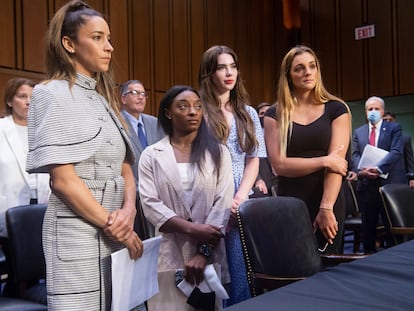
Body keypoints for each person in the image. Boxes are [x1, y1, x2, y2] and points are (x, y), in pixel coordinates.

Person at [25, 1, 143, 309]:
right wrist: (115, 224)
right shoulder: (50, 93)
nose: (109, 47)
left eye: (109, 38)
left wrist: (129, 211)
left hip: (115, 226)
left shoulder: (103, 98)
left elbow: (125, 166)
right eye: (97, 37)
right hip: (77, 230)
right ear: (69, 44)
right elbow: (63, 181)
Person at [138, 85, 233, 310]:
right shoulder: (151, 155)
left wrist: (203, 252)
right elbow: (150, 205)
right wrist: (192, 229)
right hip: (168, 252)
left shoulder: (219, 153)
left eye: (197, 107)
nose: (193, 111)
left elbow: (223, 206)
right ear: (168, 113)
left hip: (209, 257)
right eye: (183, 106)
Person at [264, 45, 350, 254]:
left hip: (328, 197)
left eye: (312, 66)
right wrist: (324, 160)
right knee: (295, 269)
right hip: (291, 202)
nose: (308, 72)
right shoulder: (274, 114)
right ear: (288, 75)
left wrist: (326, 207)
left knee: (329, 269)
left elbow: (336, 166)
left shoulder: (336, 109)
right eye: (299, 68)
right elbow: (280, 165)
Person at [198, 45, 266, 306]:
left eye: (233, 66)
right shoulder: (198, 109)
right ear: (209, 73)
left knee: (240, 267)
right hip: (208, 193)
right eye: (221, 67)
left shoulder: (247, 113)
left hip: (241, 196)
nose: (229, 73)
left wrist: (238, 198)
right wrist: (222, 201)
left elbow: (253, 160)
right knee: (210, 269)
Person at [349, 97, 406, 253]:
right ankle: (367, 257)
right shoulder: (359, 132)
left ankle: (395, 257)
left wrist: (378, 168)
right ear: (365, 112)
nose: (373, 112)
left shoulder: (394, 128)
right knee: (368, 226)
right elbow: (354, 155)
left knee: (391, 226)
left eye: (376, 109)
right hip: (367, 185)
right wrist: (362, 171)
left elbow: (396, 152)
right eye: (370, 109)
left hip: (388, 184)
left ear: (382, 111)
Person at [0, 78, 50, 236]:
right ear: (9, 101)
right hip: (9, 205)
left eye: (32, 97)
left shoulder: (44, 131)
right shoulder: (1, 128)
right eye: (22, 97)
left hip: (42, 205)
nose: (29, 102)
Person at [120, 79, 164, 238]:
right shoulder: (117, 122)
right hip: (131, 196)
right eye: (135, 93)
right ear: (123, 99)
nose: (141, 97)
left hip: (158, 195)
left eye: (144, 94)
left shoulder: (154, 122)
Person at [251, 102, 278, 197]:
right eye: (262, 114)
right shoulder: (253, 137)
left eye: (268, 113)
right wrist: (258, 179)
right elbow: (249, 159)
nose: (266, 116)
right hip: (265, 182)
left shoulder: (283, 134)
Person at [383, 111, 414, 188]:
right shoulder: (376, 138)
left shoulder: (405, 138)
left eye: (390, 120)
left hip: (400, 177)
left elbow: (409, 159)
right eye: (385, 120)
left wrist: (412, 178)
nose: (388, 122)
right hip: (382, 177)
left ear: (394, 121)